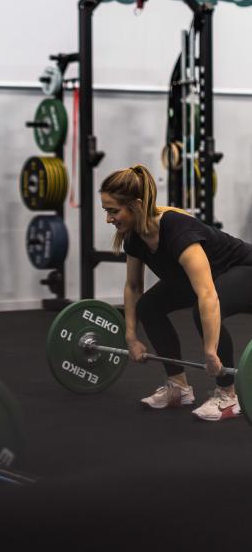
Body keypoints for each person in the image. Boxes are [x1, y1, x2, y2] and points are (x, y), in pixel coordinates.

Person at [100, 164, 252, 422]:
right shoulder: (134, 237)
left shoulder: (177, 230)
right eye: (106, 211)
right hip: (207, 280)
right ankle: (178, 388)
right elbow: (134, 287)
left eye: (113, 211)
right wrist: (131, 337)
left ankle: (228, 394)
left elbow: (207, 295)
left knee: (202, 311)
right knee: (148, 306)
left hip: (244, 270)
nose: (108, 219)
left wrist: (210, 351)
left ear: (136, 205)